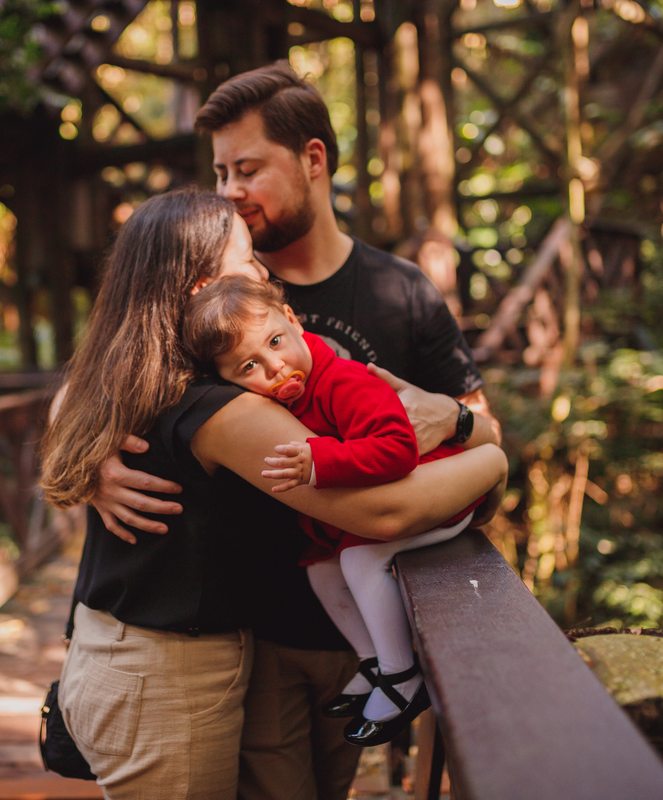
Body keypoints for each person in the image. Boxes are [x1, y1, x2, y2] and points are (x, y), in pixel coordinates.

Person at [90, 62, 503, 800]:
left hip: (362, 620)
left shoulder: (401, 291)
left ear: (313, 160)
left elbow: (477, 423)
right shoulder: (209, 291)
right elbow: (117, 364)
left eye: (246, 169)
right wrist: (88, 459)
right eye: (219, 173)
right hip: (249, 627)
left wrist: (469, 428)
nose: (229, 193)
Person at [182, 276, 492, 748]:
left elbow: (398, 449)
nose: (274, 367)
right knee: (320, 569)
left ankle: (402, 674)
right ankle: (372, 660)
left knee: (359, 561)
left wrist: (320, 460)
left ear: (292, 320)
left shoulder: (343, 381)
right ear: (225, 382)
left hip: (442, 493)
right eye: (249, 366)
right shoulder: (290, 395)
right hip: (393, 500)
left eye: (276, 343)